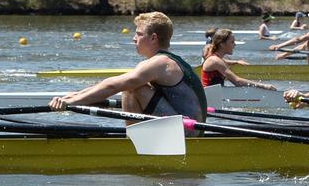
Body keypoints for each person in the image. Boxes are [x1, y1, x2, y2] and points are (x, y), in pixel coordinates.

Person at [49, 12, 207, 128]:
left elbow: (114, 86)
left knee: (131, 87)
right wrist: (77, 95)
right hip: (181, 124)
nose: (134, 38)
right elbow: (112, 82)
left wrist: (72, 102)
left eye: (139, 34)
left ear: (153, 38)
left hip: (187, 131)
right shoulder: (162, 61)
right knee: (129, 85)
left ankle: (134, 140)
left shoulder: (161, 63)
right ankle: (137, 136)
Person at [201, 29, 277, 91]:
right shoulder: (215, 60)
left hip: (216, 96)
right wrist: (264, 86)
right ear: (222, 44)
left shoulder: (218, 59)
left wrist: (236, 62)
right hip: (208, 100)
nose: (235, 44)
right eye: (232, 42)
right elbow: (237, 81)